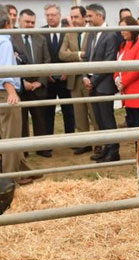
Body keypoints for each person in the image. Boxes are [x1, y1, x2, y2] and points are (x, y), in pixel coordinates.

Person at [0, 5, 37, 185]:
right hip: (5, 93)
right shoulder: (5, 41)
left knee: (6, 134)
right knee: (11, 136)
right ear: (7, 23)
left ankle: (22, 170)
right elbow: (5, 71)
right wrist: (12, 91)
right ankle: (10, 179)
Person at [59, 5, 99, 156]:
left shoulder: (93, 32)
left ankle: (99, 143)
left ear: (84, 17)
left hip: (89, 79)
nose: (73, 20)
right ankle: (85, 143)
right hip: (74, 80)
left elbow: (91, 54)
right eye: (72, 17)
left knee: (94, 112)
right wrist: (79, 55)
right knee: (79, 112)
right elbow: (62, 54)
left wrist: (75, 54)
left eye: (76, 17)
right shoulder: (69, 33)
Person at [12, 9, 52, 158]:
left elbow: (47, 60)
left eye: (32, 22)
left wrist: (40, 82)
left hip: (38, 87)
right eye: (27, 22)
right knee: (21, 120)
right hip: (20, 88)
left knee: (40, 118)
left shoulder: (40, 38)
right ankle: (24, 150)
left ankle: (42, 148)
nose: (30, 25)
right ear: (19, 21)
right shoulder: (10, 38)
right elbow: (9, 63)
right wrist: (22, 82)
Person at [83, 4, 119, 163]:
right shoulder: (91, 34)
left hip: (103, 84)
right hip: (92, 83)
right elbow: (86, 58)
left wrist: (93, 80)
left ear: (100, 16)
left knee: (107, 118)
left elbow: (109, 60)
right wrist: (85, 76)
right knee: (99, 119)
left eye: (90, 16)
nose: (87, 19)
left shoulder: (110, 34)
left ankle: (114, 151)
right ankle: (106, 148)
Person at [115, 16, 139, 128]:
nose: (122, 32)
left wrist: (123, 81)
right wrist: (117, 78)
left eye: (125, 29)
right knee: (134, 128)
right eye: (121, 29)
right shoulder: (124, 45)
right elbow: (117, 64)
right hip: (128, 95)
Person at [43, 3, 75, 141]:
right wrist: (45, 73)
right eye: (48, 15)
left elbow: (73, 52)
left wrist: (67, 71)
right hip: (48, 80)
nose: (50, 18)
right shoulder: (41, 32)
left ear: (59, 15)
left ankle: (71, 139)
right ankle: (48, 143)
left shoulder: (69, 32)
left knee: (69, 110)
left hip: (65, 78)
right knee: (48, 112)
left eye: (53, 15)